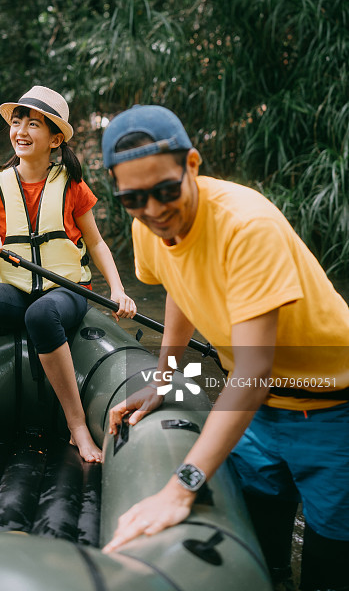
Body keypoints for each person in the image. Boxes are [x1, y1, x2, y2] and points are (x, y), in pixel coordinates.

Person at [100, 104, 349, 591]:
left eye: (166, 191)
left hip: (332, 409)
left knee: (329, 568)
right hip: (259, 415)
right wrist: (163, 376)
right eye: (134, 199)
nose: (153, 210)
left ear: (192, 164)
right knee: (262, 555)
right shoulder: (147, 227)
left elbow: (253, 371)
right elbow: (178, 285)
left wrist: (181, 486)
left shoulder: (245, 226)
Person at [0, 85, 136, 465]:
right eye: (17, 123)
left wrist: (118, 289)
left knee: (42, 313)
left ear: (55, 138)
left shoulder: (72, 185)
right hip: (14, 288)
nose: (21, 131)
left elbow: (96, 244)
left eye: (34, 124)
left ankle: (77, 427)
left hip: (66, 292)